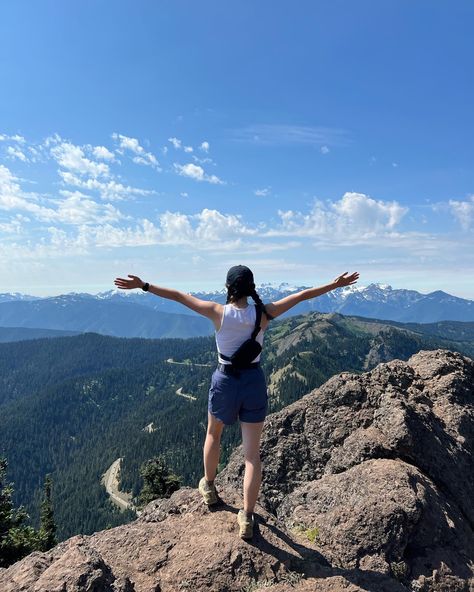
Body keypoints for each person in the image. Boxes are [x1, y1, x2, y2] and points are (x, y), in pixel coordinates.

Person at [114, 265, 359, 539]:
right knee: (252, 455)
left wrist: (144, 285)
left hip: (225, 381)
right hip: (253, 382)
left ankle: (208, 486)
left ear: (228, 287)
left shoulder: (217, 312)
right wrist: (334, 285)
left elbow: (179, 296)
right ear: (252, 286)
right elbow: (302, 296)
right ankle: (247, 516)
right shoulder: (264, 313)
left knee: (213, 434)